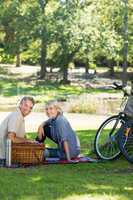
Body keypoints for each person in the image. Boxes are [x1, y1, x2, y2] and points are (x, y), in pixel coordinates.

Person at [0, 96, 35, 166]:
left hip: (12, 152)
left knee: (43, 150)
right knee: (45, 152)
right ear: (20, 105)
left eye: (30, 108)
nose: (28, 109)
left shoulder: (19, 115)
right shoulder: (16, 116)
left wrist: (28, 140)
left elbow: (20, 137)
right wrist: (27, 140)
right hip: (5, 156)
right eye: (26, 105)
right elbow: (11, 138)